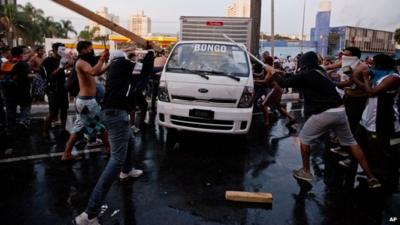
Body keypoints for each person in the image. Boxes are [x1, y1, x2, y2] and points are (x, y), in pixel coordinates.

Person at [264, 51, 381, 188]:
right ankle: (371, 177)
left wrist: (272, 72)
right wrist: (278, 72)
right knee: (351, 142)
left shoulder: (306, 74)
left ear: (303, 63)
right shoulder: (320, 72)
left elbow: (284, 83)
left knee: (304, 139)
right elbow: (295, 78)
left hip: (324, 113)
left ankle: (306, 171)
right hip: (340, 111)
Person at [74, 50, 143, 225]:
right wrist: (149, 51)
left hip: (115, 113)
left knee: (131, 140)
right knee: (115, 160)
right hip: (116, 115)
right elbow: (145, 66)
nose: (133, 58)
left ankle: (127, 171)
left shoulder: (115, 69)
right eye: (130, 57)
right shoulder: (121, 65)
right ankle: (89, 215)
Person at [351, 54, 400, 189]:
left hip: (381, 119)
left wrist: (366, 77)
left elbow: (372, 92)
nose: (371, 66)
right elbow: (366, 90)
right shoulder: (378, 74)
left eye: (373, 63)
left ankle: (382, 178)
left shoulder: (393, 78)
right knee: (358, 140)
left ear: (381, 64)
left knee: (378, 148)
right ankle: (366, 169)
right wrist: (355, 77)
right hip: (367, 117)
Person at [61, 41, 110, 161]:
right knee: (101, 125)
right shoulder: (81, 62)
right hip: (87, 102)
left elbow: (97, 72)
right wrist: (102, 59)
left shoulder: (84, 62)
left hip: (84, 101)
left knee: (79, 128)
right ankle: (109, 149)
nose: (91, 51)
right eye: (89, 49)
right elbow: (94, 71)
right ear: (82, 50)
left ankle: (66, 154)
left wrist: (110, 64)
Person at [254, 54, 296, 129]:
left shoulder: (268, 69)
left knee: (263, 105)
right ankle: (291, 118)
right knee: (278, 107)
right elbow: (260, 75)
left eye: (264, 60)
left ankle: (266, 122)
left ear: (265, 62)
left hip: (275, 89)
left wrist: (254, 81)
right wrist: (253, 74)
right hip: (278, 89)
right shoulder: (268, 69)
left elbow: (265, 80)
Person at [2, 46, 32, 141]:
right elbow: (25, 76)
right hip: (22, 91)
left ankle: (10, 131)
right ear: (21, 53)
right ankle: (22, 128)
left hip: (9, 91)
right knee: (25, 111)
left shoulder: (5, 63)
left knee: (10, 112)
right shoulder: (23, 64)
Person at [42, 43, 70, 143]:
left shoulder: (61, 59)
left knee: (64, 110)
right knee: (53, 112)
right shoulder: (47, 61)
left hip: (62, 88)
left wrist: (69, 66)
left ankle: (63, 129)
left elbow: (64, 73)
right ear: (54, 50)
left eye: (64, 49)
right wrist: (61, 66)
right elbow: (50, 76)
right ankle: (45, 133)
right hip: (53, 89)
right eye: (61, 49)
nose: (63, 51)